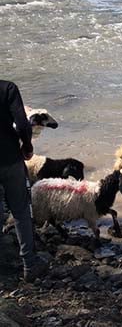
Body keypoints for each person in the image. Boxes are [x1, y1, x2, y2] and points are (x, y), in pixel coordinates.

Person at [0, 80, 47, 282]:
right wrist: (27, 146)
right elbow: (22, 124)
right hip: (9, 157)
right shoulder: (7, 89)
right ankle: (29, 264)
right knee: (20, 209)